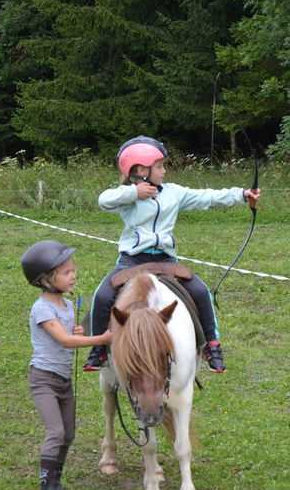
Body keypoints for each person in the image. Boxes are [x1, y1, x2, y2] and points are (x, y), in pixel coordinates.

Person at [82, 135, 261, 373]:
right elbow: (104, 200)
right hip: (132, 260)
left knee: (201, 292)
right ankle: (99, 349)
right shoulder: (127, 196)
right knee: (103, 295)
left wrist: (241, 194)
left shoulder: (173, 193)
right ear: (141, 170)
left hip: (165, 260)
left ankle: (212, 345)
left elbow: (206, 197)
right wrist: (135, 193)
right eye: (159, 166)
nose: (164, 171)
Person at [21, 240, 113, 490]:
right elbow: (64, 340)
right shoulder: (42, 308)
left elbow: (69, 334)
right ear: (46, 279)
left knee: (68, 433)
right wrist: (101, 338)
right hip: (43, 379)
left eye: (73, 270)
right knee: (56, 432)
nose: (73, 276)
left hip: (63, 380)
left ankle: (56, 483)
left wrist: (78, 332)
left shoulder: (67, 305)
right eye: (66, 273)